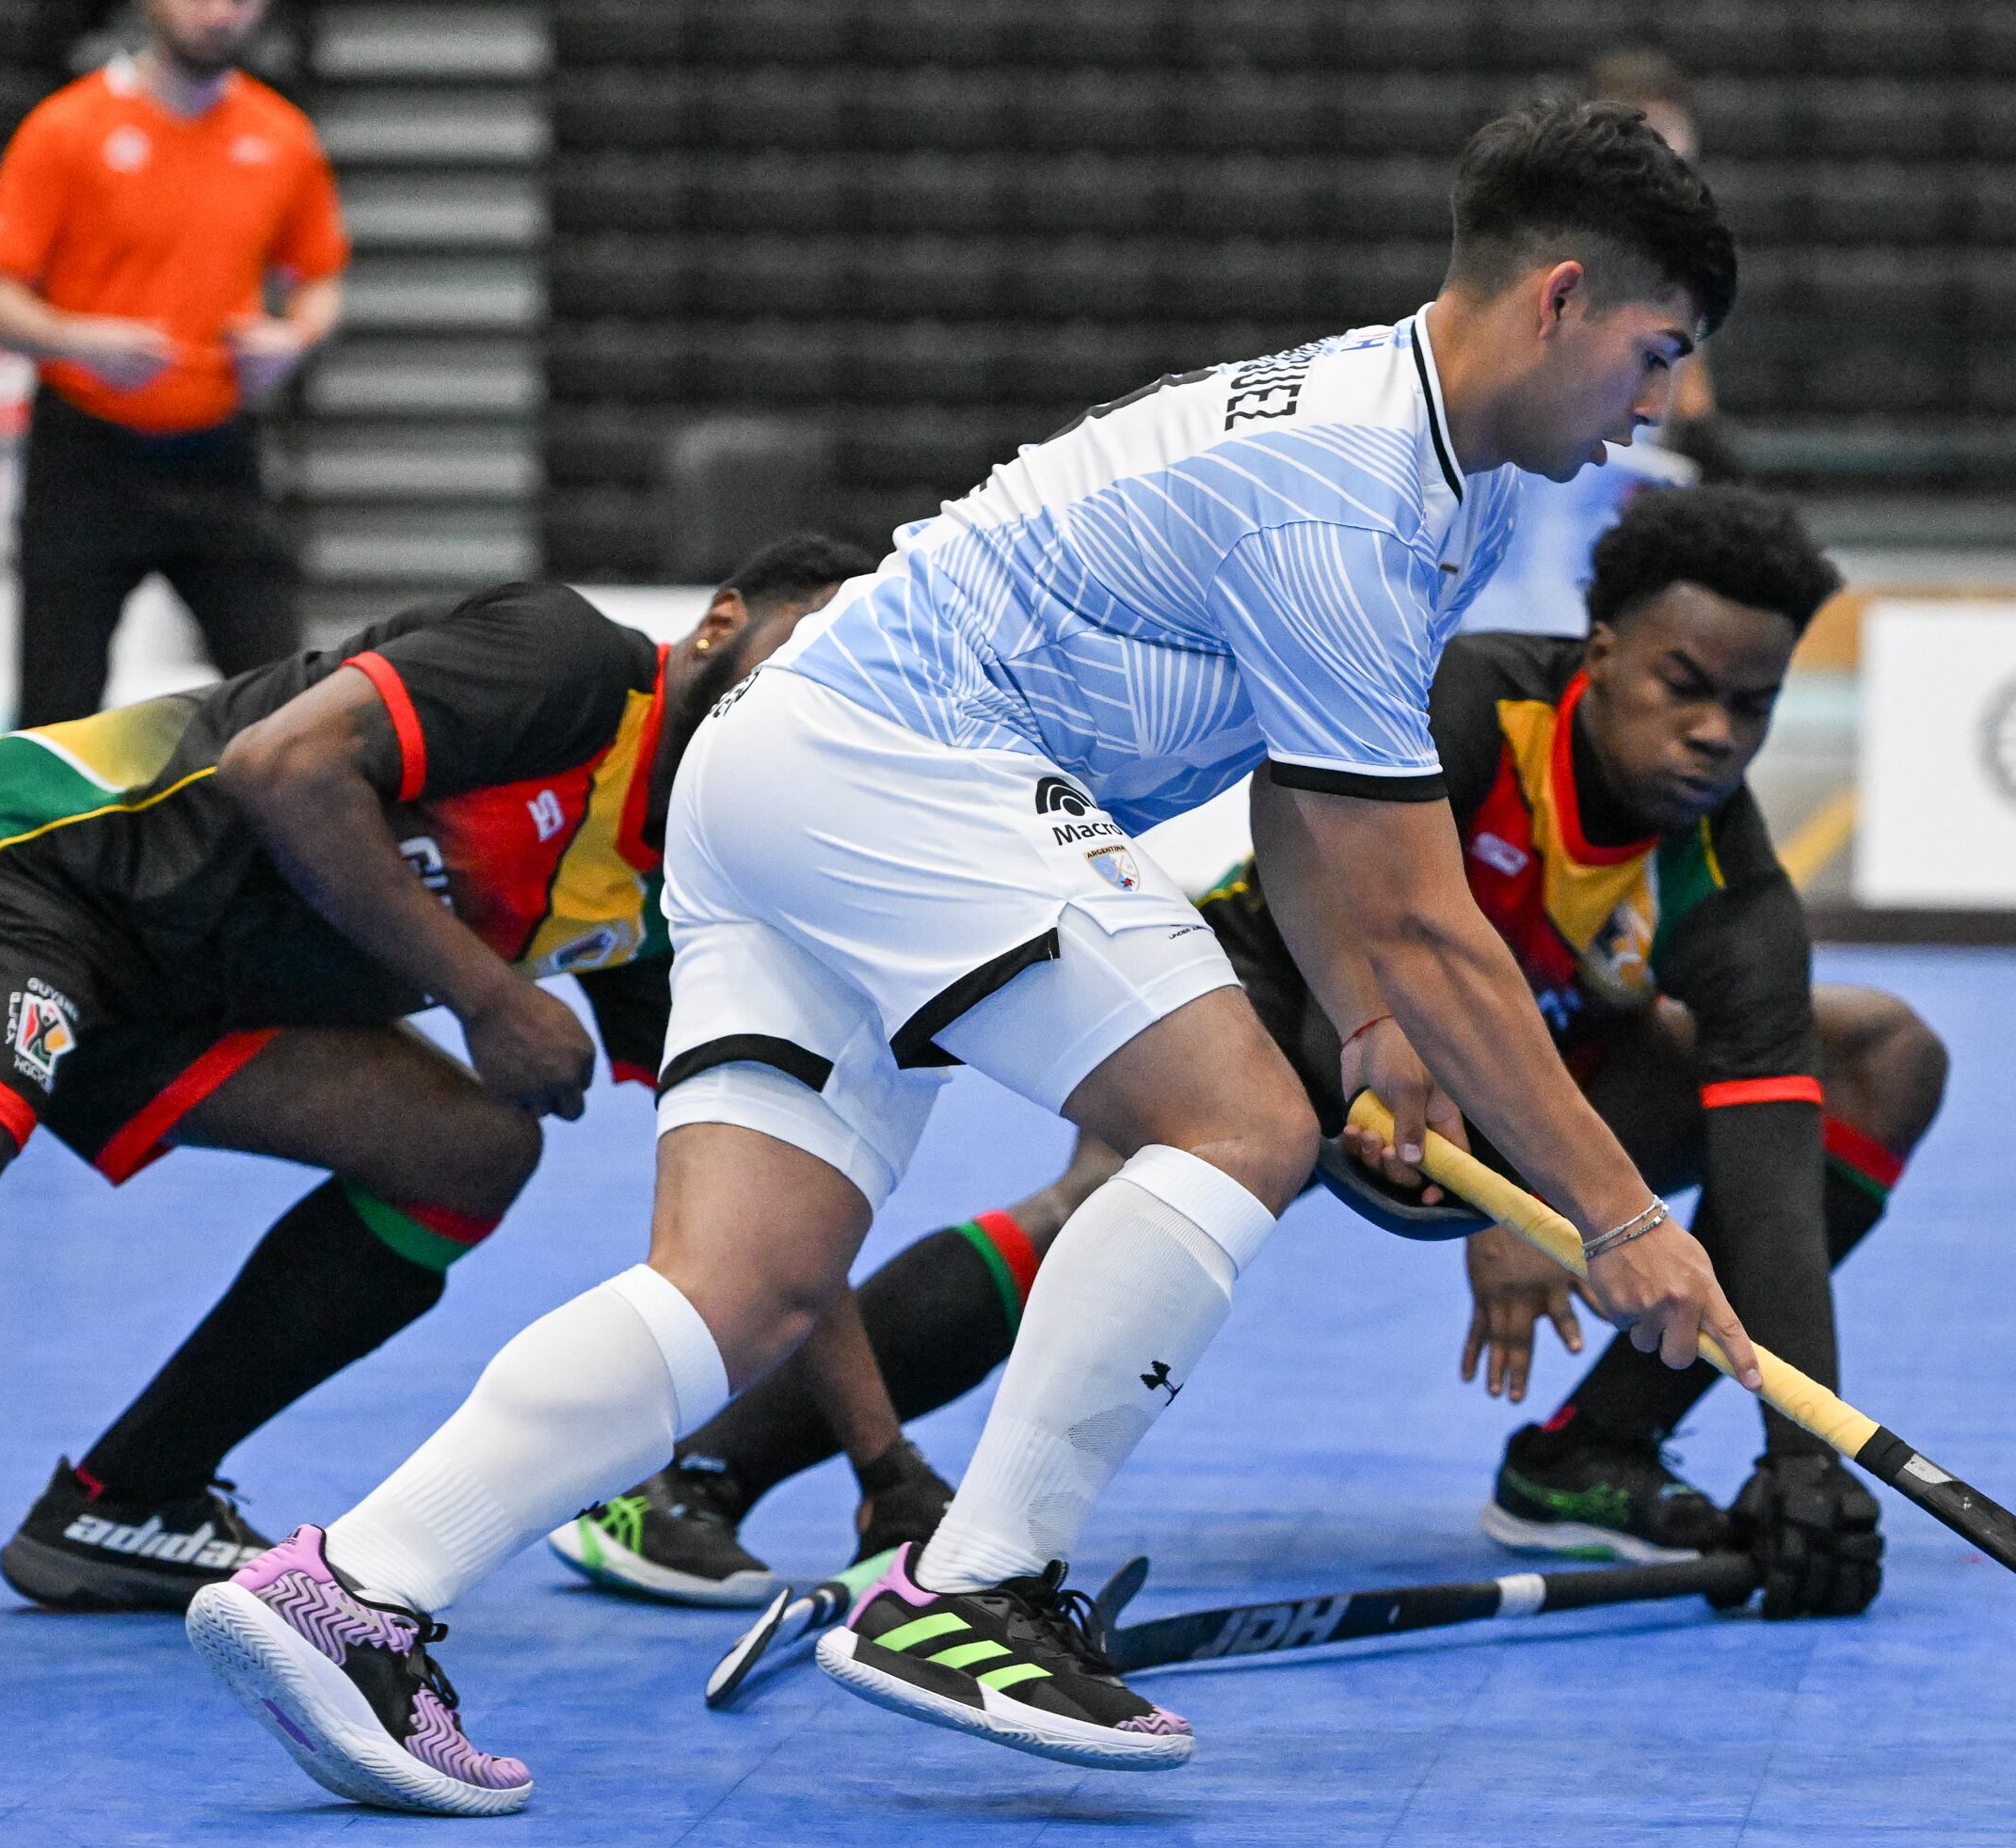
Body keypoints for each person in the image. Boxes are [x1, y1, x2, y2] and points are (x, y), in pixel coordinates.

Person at [186, 96, 1752, 1811]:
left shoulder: (1421, 471)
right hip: (900, 762)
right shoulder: (1350, 491)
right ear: (1557, 298)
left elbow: (1315, 813)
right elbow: (1426, 915)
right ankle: (980, 1586)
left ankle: (353, 1589)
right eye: (1653, 354)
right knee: (1239, 1121)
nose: (1656, 409)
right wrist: (1616, 1217)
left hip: (780, 780)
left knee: (749, 1286)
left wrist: (1374, 1030)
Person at [566, 486, 1945, 1622]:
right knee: (1101, 1218)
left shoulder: (1730, 882)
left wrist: (1803, 1457)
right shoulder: (1469, 710)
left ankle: (1590, 1457)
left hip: (1525, 1075)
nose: (1715, 733)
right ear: (1598, 652)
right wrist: (1539, 1181)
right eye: (1684, 687)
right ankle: (694, 1478)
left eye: (1751, 709)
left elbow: (1765, 1177)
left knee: (1880, 1062)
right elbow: (1361, 931)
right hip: (1290, 990)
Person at [0, 534, 879, 1617]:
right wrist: (492, 998)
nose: (801, 698)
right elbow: (282, 765)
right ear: (722, 621)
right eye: (800, 649)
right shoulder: (575, 664)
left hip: (184, 987)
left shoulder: (676, 884)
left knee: (467, 1153)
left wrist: (886, 1469)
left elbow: (758, 1201)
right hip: (26, 864)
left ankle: (130, 1496)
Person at [0, 0, 346, 727]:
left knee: (287, 701)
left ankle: (274, 842)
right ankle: (50, 843)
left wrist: (291, 339)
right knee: (56, 709)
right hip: (86, 455)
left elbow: (320, 279)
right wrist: (80, 340)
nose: (218, 13)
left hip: (219, 455)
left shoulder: (281, 137)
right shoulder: (66, 128)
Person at [1459, 46, 1745, 639]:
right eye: (1644, 125)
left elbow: (1685, 377)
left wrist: (1695, 428)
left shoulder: (1679, 250)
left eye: (1670, 126)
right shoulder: (1551, 232)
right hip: (1530, 511)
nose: (1662, 144)